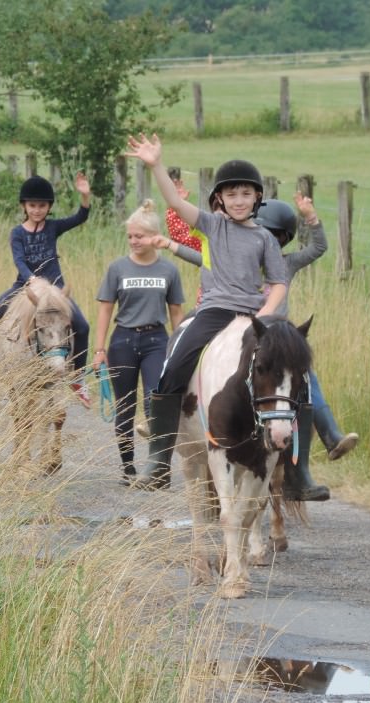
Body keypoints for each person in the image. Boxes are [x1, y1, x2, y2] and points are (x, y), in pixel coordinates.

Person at [124, 134, 288, 488]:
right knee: (172, 367)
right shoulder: (212, 225)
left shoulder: (265, 238)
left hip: (253, 316)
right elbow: (173, 201)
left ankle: (296, 468)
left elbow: (278, 282)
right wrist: (156, 165)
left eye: (246, 193)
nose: (239, 200)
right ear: (220, 199)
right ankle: (159, 459)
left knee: (295, 375)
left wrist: (268, 316)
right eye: (231, 194)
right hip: (215, 311)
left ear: (257, 196)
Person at [255, 194, 359, 501]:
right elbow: (201, 254)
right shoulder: (240, 261)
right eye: (262, 236)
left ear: (284, 240)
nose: (268, 243)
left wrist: (311, 217)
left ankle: (325, 444)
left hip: (279, 338)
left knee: (306, 381)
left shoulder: (287, 264)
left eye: (275, 238)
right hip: (247, 335)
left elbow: (319, 248)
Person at [0, 173, 93, 407]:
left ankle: (77, 376)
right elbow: (20, 260)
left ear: (49, 207)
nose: (37, 210)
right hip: (24, 286)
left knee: (83, 326)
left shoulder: (54, 227)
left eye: (42, 205)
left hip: (55, 288)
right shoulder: (17, 233)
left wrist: (85, 196)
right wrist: (31, 278)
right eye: (32, 205)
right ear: (24, 206)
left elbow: (80, 217)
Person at [92, 199, 185, 485]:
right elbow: (106, 308)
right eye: (130, 236)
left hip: (157, 339)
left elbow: (176, 312)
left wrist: (179, 349)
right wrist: (99, 349)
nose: (133, 241)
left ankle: (158, 469)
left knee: (155, 403)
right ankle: (128, 468)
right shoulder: (117, 268)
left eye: (139, 236)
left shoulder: (168, 271)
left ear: (154, 238)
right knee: (126, 406)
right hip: (123, 340)